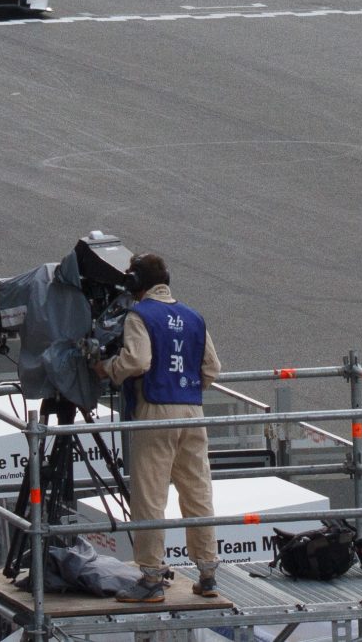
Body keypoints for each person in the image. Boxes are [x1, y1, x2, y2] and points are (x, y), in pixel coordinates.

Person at [98, 254, 224, 602]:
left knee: (151, 496)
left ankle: (151, 578)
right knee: (197, 492)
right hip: (192, 410)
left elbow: (138, 361)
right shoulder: (193, 316)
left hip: (155, 409)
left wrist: (108, 367)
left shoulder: (140, 315)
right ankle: (208, 573)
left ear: (137, 282)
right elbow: (211, 369)